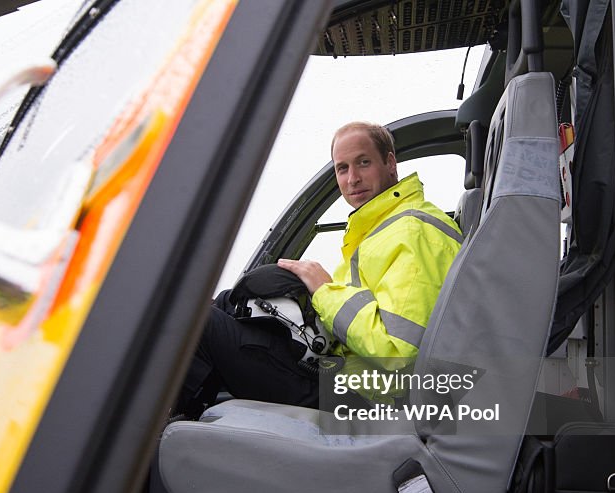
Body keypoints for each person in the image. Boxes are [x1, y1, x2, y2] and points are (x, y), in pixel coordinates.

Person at [176, 121, 462, 417]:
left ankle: (147, 438)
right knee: (227, 302)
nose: (353, 179)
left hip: (364, 396)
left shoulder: (413, 232)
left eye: (363, 163)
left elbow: (398, 354)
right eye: (342, 168)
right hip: (345, 374)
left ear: (390, 163)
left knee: (198, 323)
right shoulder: (381, 229)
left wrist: (325, 290)